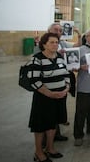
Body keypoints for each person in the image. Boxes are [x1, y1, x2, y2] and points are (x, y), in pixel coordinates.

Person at [29, 33, 70, 162]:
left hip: (59, 97)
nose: (55, 45)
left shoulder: (59, 57)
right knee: (41, 125)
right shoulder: (37, 59)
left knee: (53, 124)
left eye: (56, 42)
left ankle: (50, 148)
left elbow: (66, 74)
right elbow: (34, 80)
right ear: (44, 44)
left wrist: (67, 88)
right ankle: (39, 152)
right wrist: (50, 94)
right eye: (51, 42)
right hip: (43, 98)